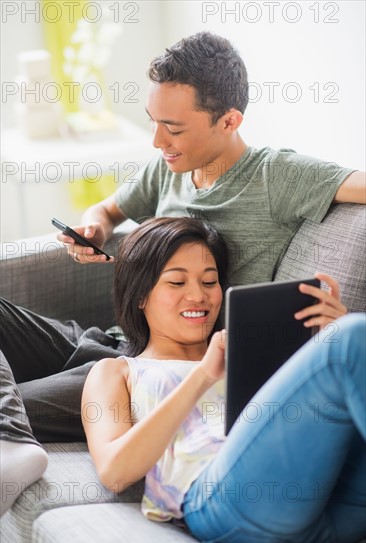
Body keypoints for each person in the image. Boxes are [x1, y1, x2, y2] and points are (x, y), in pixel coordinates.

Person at [0, 31, 365, 494]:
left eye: (173, 129)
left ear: (229, 120)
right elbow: (107, 211)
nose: (156, 140)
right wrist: (93, 229)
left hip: (158, 369)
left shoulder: (278, 176)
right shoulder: (168, 168)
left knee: (18, 406)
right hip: (115, 338)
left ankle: (11, 439)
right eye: (154, 122)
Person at [81, 217, 366, 543]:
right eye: (176, 283)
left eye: (209, 281)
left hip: (336, 500)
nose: (198, 296)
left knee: (350, 332)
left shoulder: (260, 348)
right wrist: (203, 375)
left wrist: (329, 336)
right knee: (353, 335)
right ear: (140, 295)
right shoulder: (115, 372)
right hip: (229, 503)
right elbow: (115, 471)